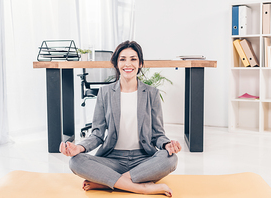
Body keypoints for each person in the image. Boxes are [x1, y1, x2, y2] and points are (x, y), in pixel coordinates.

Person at [60, 40, 181, 197]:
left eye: (133, 59)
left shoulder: (151, 93)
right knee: (75, 161)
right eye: (122, 59)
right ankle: (140, 187)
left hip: (143, 160)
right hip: (112, 159)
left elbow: (158, 134)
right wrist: (79, 148)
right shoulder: (105, 93)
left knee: (170, 159)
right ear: (116, 64)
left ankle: (108, 183)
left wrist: (167, 145)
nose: (128, 64)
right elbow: (97, 134)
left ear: (140, 63)